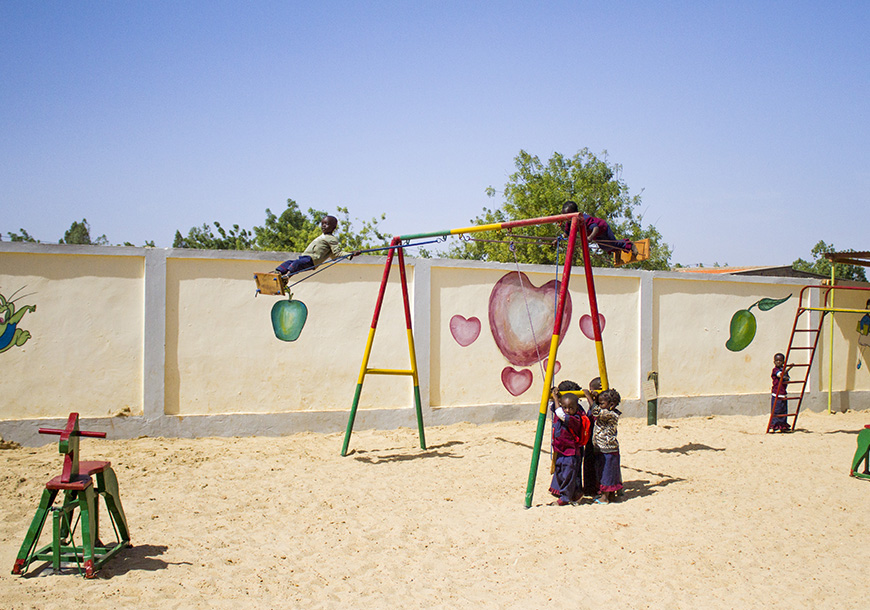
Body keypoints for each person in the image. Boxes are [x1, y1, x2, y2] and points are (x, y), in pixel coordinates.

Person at [275, 215, 358, 278]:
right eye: (322, 224)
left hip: (311, 260)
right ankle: (277, 273)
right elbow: (333, 256)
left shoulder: (332, 239)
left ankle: (287, 276)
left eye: (326, 224)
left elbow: (337, 253)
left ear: (333, 227)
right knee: (289, 262)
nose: (323, 226)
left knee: (296, 264)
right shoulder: (323, 236)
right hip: (305, 257)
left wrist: (349, 255)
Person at [548, 390, 591, 505]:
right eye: (565, 407)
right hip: (561, 450)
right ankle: (574, 493)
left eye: (571, 408)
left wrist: (556, 399)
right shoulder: (562, 414)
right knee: (561, 473)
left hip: (571, 453)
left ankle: (565, 498)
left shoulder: (574, 419)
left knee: (568, 475)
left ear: (577, 408)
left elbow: (560, 413)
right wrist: (554, 396)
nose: (567, 410)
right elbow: (554, 409)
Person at [560, 200, 635, 255]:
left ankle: (629, 244)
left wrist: (590, 237)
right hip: (596, 236)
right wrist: (558, 239)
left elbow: (596, 228)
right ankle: (618, 250)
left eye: (568, 217)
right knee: (604, 247)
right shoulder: (569, 223)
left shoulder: (584, 219)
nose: (567, 219)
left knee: (612, 243)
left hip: (602, 228)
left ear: (575, 214)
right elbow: (566, 234)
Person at [592, 388, 623, 503]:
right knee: (606, 471)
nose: (600, 405)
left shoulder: (610, 414)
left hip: (608, 449)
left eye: (602, 403)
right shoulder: (608, 411)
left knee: (607, 472)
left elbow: (595, 411)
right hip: (604, 447)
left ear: (611, 404)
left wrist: (591, 398)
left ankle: (605, 497)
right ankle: (611, 495)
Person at [581, 377, 602, 497]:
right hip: (590, 439)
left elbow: (596, 412)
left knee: (597, 464)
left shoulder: (603, 406)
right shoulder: (594, 405)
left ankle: (596, 488)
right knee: (589, 463)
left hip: (599, 441)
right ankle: (589, 488)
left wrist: (589, 397)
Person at [769, 352, 794, 433]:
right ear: (774, 362)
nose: (778, 362)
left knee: (783, 410)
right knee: (776, 410)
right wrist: (789, 368)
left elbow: (787, 378)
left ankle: (783, 426)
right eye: (777, 360)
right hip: (776, 393)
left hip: (783, 393)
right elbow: (780, 375)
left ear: (783, 362)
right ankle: (774, 426)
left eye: (780, 360)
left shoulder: (783, 370)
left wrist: (787, 378)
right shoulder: (775, 370)